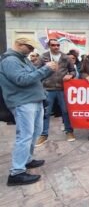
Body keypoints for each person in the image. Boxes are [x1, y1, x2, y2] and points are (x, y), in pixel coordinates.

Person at [0, 37, 56, 186]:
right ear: (18, 44)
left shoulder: (23, 59)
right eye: (29, 47)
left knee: (35, 132)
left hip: (33, 100)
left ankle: (26, 160)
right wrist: (46, 69)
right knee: (24, 135)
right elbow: (22, 80)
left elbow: (34, 76)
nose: (32, 50)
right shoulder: (10, 61)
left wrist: (48, 70)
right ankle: (16, 172)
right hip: (23, 102)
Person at [36, 39, 76, 147]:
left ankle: (69, 131)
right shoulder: (43, 57)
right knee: (46, 113)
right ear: (49, 46)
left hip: (62, 88)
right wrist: (45, 68)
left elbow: (73, 70)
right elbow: (35, 70)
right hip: (48, 89)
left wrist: (71, 75)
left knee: (65, 111)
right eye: (53, 45)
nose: (56, 47)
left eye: (58, 45)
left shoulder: (65, 57)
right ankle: (43, 134)